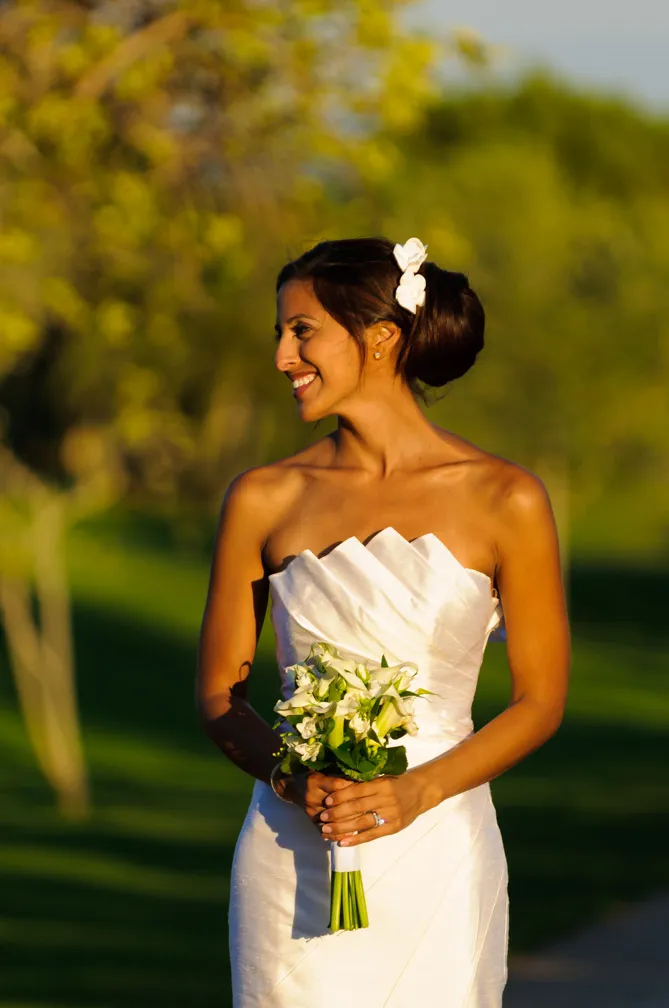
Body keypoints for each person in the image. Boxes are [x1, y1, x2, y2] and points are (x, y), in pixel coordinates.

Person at [197, 236, 570, 1007]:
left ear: (379, 337)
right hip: (288, 851)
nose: (280, 357)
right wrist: (291, 780)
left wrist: (416, 792)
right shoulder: (262, 498)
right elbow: (218, 698)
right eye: (279, 332)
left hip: (438, 846)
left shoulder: (506, 499)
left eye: (301, 331)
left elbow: (539, 701)